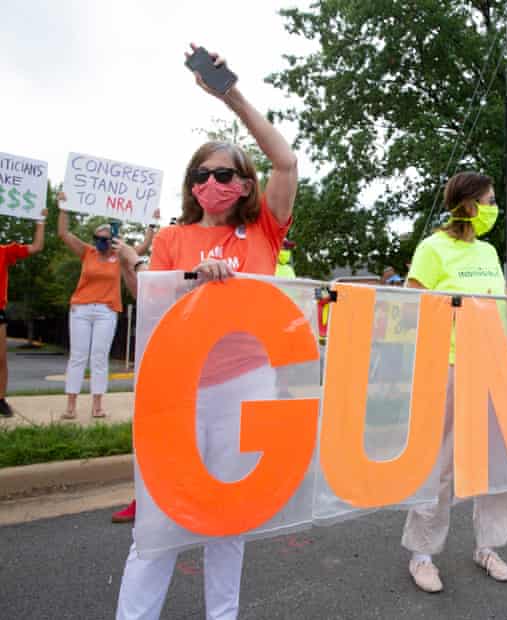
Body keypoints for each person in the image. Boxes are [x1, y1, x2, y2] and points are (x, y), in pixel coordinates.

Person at [111, 44, 298, 619]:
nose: (212, 182)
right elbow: (151, 299)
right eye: (202, 174)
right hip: (179, 389)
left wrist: (231, 96)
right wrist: (155, 271)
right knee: (159, 521)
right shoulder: (171, 240)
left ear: (245, 184)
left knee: (229, 517)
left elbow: (286, 163)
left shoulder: (266, 229)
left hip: (244, 385)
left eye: (224, 174)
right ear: (191, 183)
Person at [401, 170, 507, 593]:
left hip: (495, 365)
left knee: (496, 463)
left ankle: (488, 546)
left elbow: (495, 305)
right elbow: (411, 305)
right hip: (451, 366)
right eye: (490, 200)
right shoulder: (432, 249)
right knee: (440, 464)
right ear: (469, 204)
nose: (495, 208)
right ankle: (422, 554)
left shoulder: (490, 252)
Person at [57, 200, 158, 420]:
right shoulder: (87, 252)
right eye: (97, 238)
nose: (101, 242)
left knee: (100, 357)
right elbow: (64, 233)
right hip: (81, 309)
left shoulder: (119, 255)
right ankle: (71, 405)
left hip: (107, 310)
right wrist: (64, 207)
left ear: (112, 239)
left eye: (105, 238)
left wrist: (152, 222)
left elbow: (143, 247)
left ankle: (97, 406)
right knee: (77, 356)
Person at [0, 211, 47, 417]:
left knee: (1, 359)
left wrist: (41, 220)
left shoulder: (4, 251)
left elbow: (37, 246)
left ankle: (0, 400)